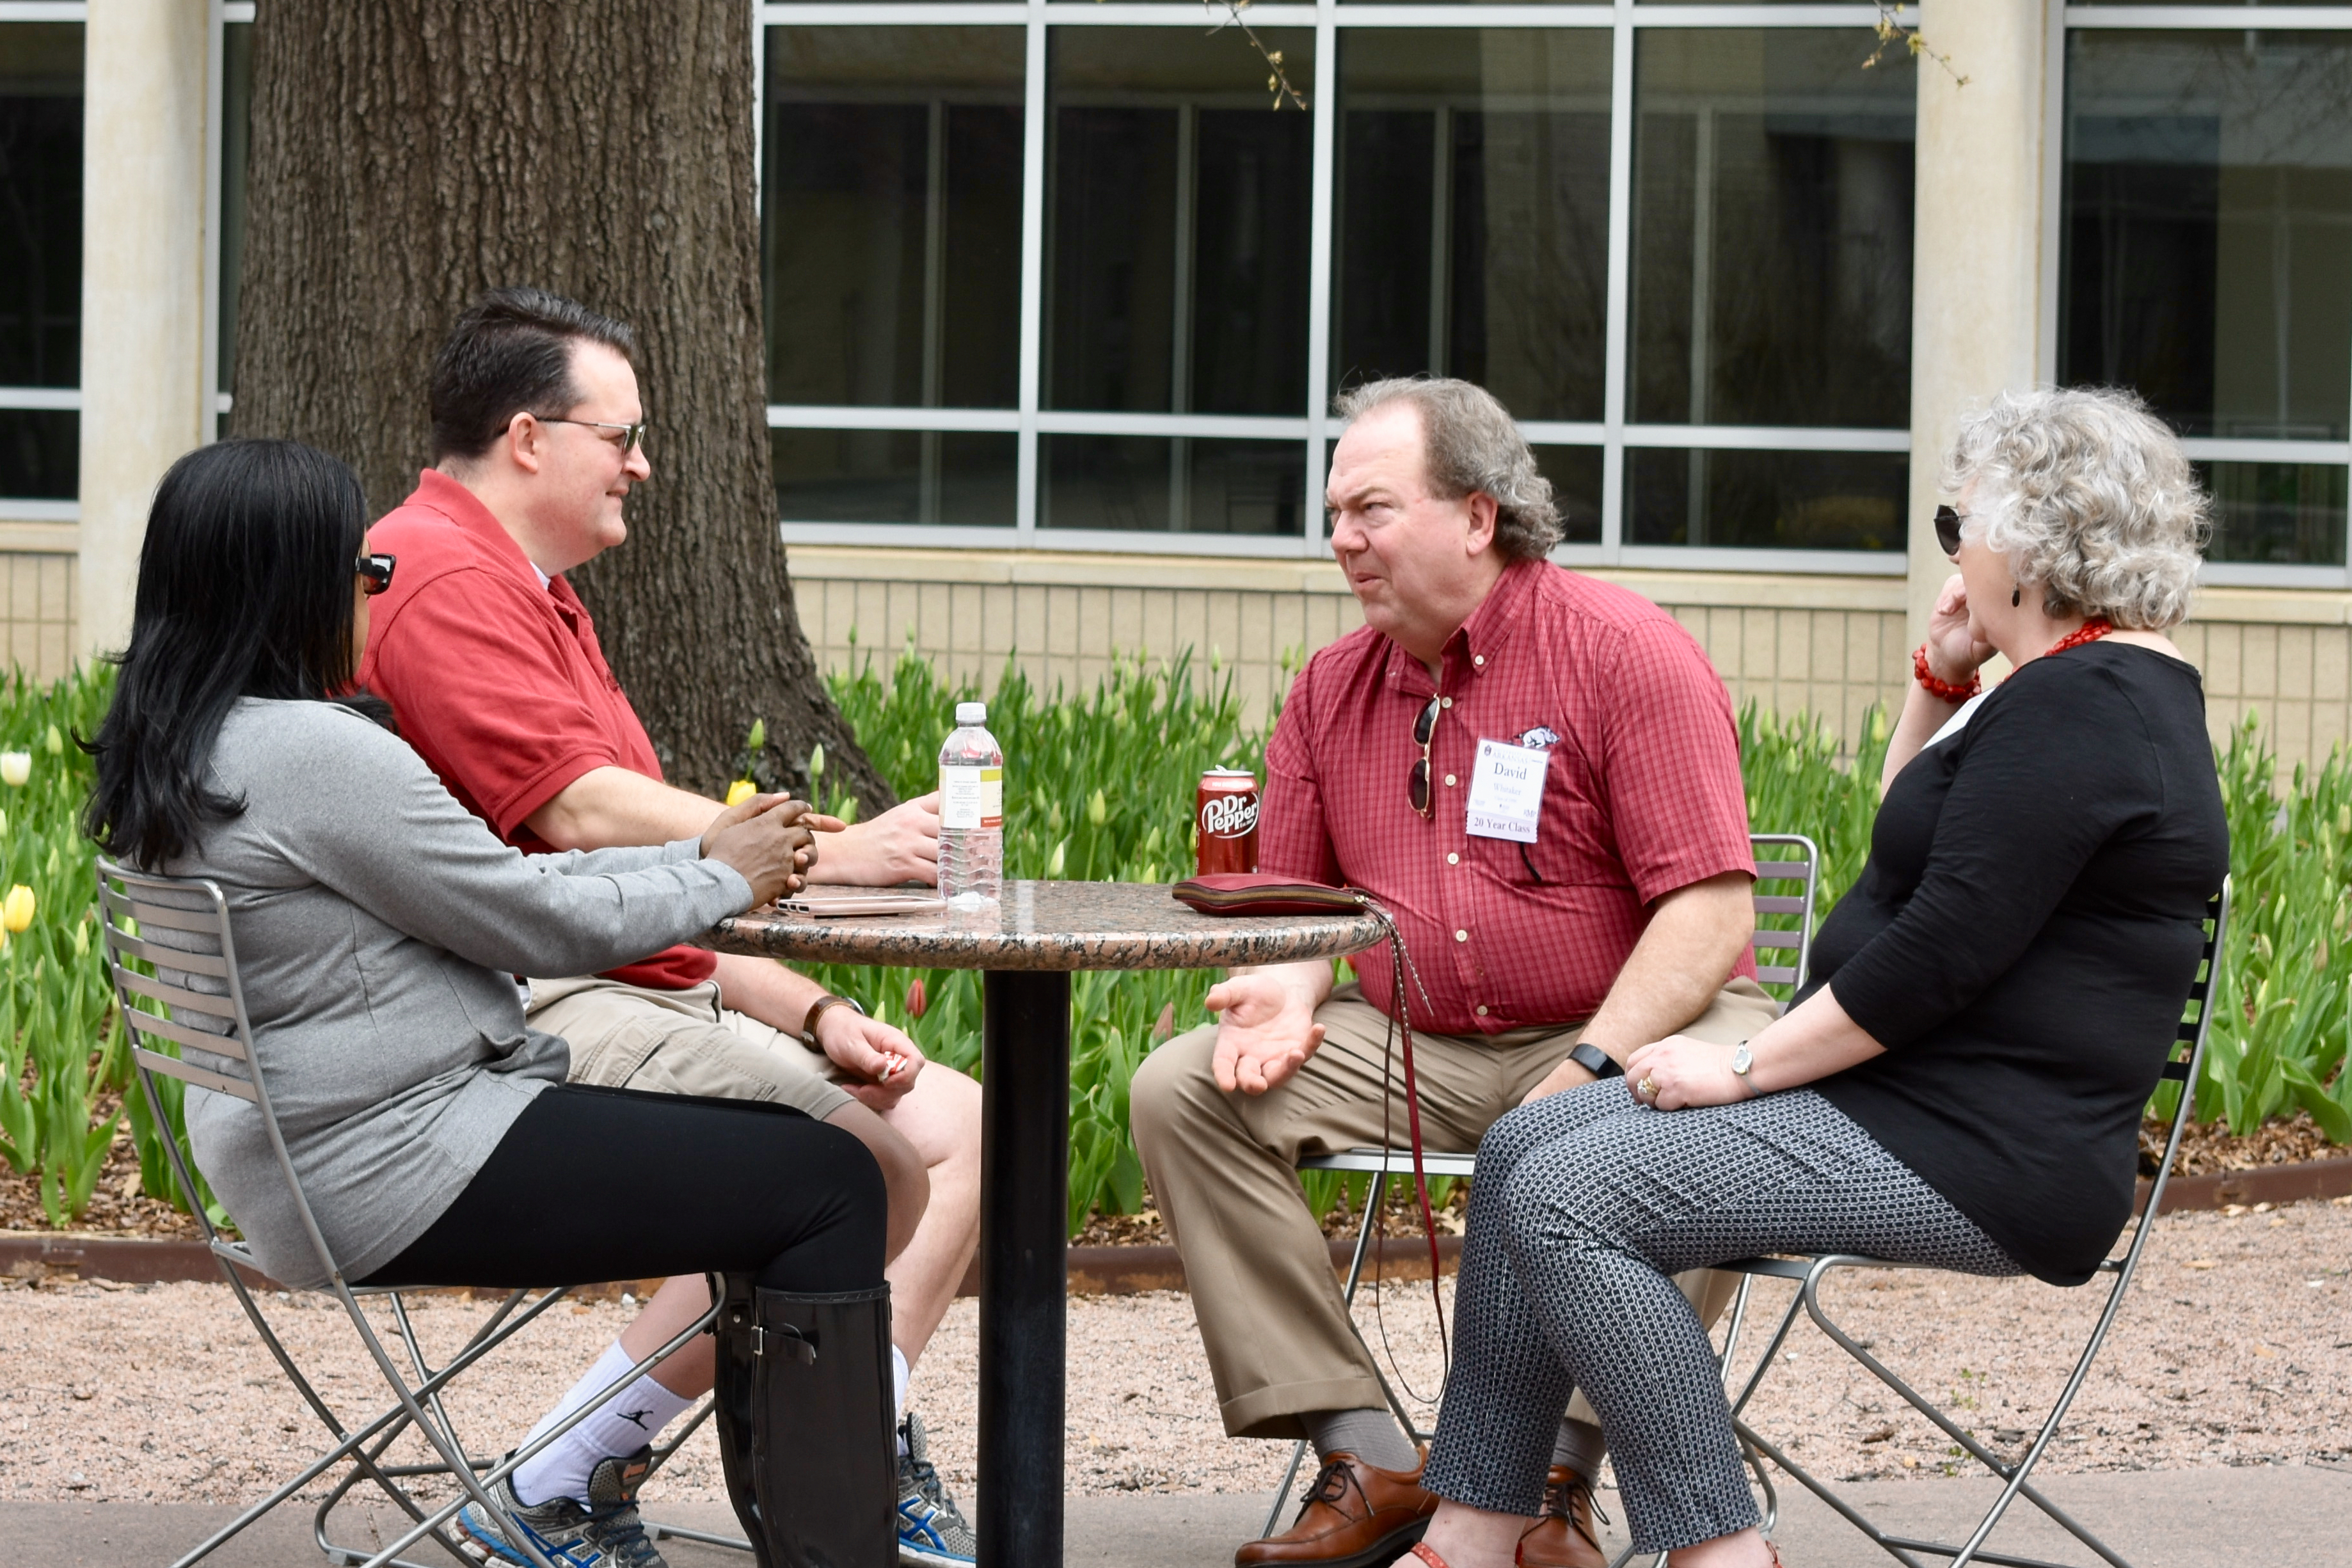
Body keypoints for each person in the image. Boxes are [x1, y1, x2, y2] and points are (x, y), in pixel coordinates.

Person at [1406, 385, 2232, 1568]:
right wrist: (1941, 680)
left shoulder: (2091, 708)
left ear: (2040, 545)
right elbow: (1922, 845)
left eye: (1962, 528)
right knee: (1528, 1145)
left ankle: (1719, 1549)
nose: (1953, 555)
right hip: (1911, 1105)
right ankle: (1477, 1528)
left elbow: (1933, 959)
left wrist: (1737, 1066)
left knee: (1572, 1191)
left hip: (1979, 1147)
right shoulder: (2069, 694)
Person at [84, 437, 905, 1568]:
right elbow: (532, 924)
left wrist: (697, 848)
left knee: (779, 1175)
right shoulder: (316, 753)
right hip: (391, 1161)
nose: (376, 597)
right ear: (293, 588)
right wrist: (726, 876)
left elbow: (500, 890)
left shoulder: (174, 747)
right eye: (363, 573)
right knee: (828, 1181)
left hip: (292, 1159)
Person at [355, 288, 983, 1566]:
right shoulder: (431, 572)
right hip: (522, 1015)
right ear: (529, 437)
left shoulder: (530, 587)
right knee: (854, 1169)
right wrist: (824, 848)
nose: (642, 462)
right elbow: (582, 815)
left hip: (622, 979)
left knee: (956, 1122)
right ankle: (635, 1475)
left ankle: (849, 1430)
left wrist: (808, 1005)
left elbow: (649, 890)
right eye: (622, 433)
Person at [1129, 377, 1779, 1568]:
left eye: (1371, 510)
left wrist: (1593, 1059)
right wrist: (1292, 984)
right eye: (1334, 514)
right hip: (1424, 1043)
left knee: (1688, 1109)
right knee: (1185, 1087)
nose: (1341, 541)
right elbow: (1298, 902)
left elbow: (1709, 909)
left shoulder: (1626, 654)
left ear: (1477, 518)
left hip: (1622, 1020)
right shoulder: (1333, 687)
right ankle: (1367, 1451)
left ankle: (1555, 1481)